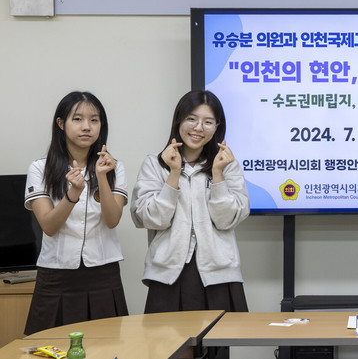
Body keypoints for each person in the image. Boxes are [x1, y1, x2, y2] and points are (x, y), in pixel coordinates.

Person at [131, 90, 250, 314]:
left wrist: (218, 175)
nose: (198, 128)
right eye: (191, 119)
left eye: (208, 122)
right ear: (179, 120)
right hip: (168, 274)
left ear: (217, 127)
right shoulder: (155, 164)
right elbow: (151, 218)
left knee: (221, 336)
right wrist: (174, 173)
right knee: (168, 337)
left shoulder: (227, 165)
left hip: (219, 273)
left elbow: (226, 220)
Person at [23, 91, 128, 334]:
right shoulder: (40, 168)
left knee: (106, 344)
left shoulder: (114, 168)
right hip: (56, 273)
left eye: (94, 120)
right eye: (78, 119)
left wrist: (102, 176)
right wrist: (74, 193)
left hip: (103, 272)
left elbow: (112, 220)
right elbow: (49, 226)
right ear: (61, 123)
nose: (87, 127)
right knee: (51, 345)